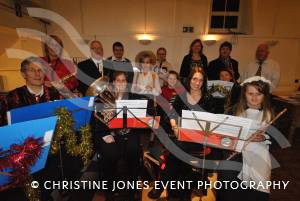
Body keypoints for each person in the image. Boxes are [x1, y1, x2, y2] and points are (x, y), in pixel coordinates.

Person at [0, 56, 63, 200]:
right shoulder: (11, 97)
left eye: (40, 70)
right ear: (23, 74)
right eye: (32, 70)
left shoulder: (53, 93)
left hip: (49, 150)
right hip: (21, 153)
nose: (37, 74)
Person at [156, 67, 220, 200]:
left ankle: (163, 183)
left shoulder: (209, 99)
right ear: (189, 79)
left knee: (175, 150)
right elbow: (171, 115)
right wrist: (174, 127)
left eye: (201, 80)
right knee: (179, 149)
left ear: (204, 82)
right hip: (182, 136)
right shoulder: (181, 96)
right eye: (194, 79)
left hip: (199, 139)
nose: (197, 83)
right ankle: (179, 193)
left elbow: (213, 122)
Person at [217, 76, 274, 201]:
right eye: (250, 93)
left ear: (264, 95)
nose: (254, 98)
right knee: (227, 174)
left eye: (258, 94)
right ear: (244, 94)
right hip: (236, 152)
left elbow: (276, 137)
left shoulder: (270, 113)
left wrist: (264, 137)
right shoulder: (234, 110)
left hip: (259, 154)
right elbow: (223, 134)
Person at [93, 71, 144, 201]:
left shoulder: (133, 97)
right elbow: (97, 120)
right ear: (113, 83)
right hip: (109, 134)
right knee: (110, 153)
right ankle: (110, 187)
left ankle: (133, 187)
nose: (121, 83)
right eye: (118, 80)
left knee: (133, 150)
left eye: (124, 81)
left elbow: (140, 119)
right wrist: (105, 135)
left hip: (128, 132)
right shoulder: (104, 97)